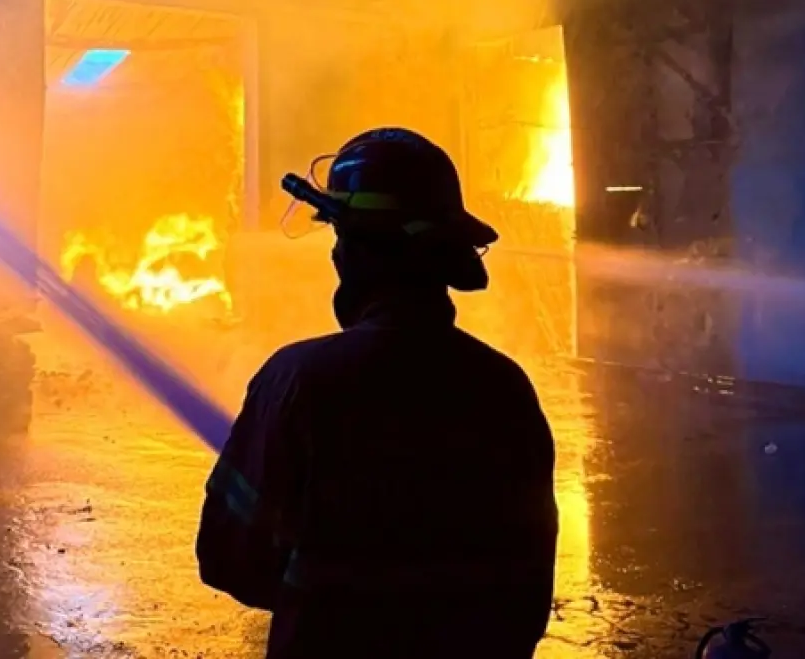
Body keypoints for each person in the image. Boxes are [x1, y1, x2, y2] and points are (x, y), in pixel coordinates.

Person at [195, 127, 558, 658]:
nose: (336, 255)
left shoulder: (300, 381)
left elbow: (231, 557)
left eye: (341, 236)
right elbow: (527, 594)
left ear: (361, 252)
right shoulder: (505, 389)